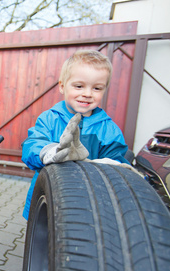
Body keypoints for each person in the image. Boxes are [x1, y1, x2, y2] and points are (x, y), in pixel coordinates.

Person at [21, 49, 129, 220]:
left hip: (86, 202)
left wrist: (108, 165)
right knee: (41, 239)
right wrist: (50, 152)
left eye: (97, 88)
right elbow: (31, 145)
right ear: (63, 86)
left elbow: (117, 161)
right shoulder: (50, 118)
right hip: (46, 199)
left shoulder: (109, 130)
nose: (87, 93)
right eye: (79, 86)